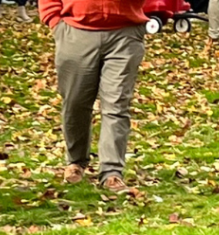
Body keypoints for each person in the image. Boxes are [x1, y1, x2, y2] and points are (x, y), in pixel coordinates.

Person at [39, 0, 147, 191]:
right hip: (74, 30)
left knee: (117, 105)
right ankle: (76, 161)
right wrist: (53, 19)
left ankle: (112, 172)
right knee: (75, 103)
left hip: (125, 32)